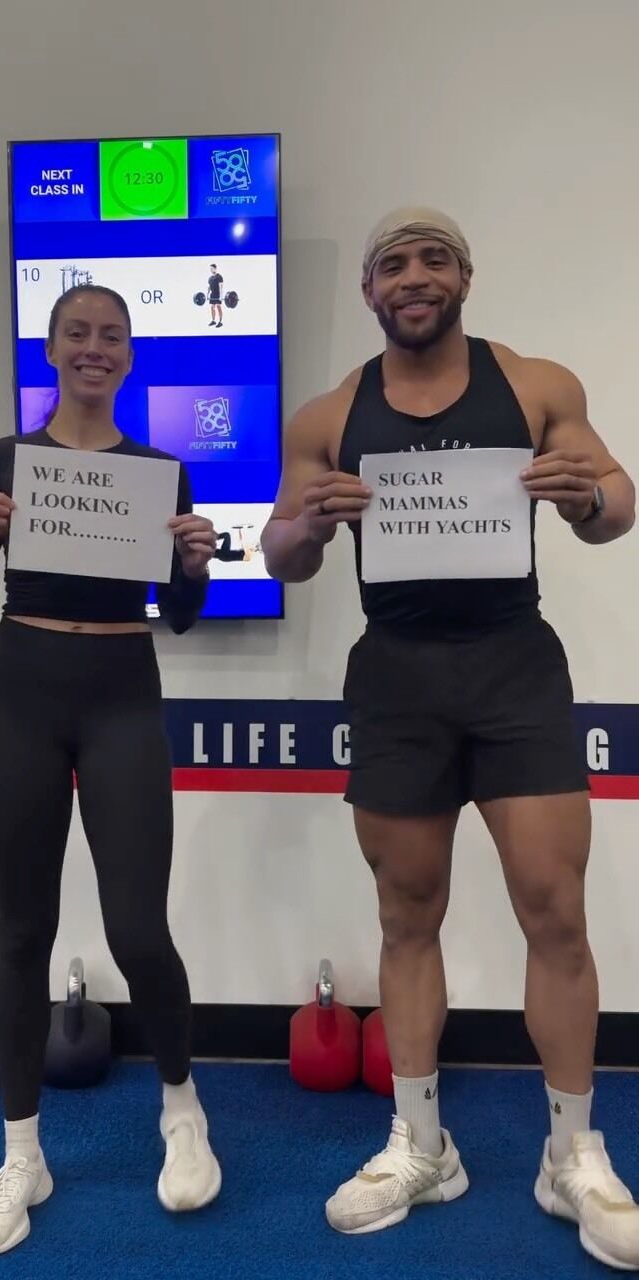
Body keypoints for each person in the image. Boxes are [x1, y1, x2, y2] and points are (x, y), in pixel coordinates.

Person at [261, 208, 639, 1269]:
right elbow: (281, 549)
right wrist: (310, 523)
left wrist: (586, 495)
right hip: (397, 678)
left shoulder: (536, 384)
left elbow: (618, 503)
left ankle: (573, 1155)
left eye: (435, 259)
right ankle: (422, 1144)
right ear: (371, 291)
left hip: (514, 667)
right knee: (406, 912)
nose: (414, 277)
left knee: (554, 908)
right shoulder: (328, 414)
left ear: (464, 277)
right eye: (394, 264)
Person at [0, 284, 221, 1256]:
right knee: (23, 931)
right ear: (52, 350)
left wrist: (194, 566)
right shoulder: (2, 461)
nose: (94, 347)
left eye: (111, 336)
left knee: (139, 927)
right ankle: (23, 1154)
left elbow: (179, 615)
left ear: (129, 356)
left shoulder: (160, 472)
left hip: (121, 694)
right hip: (20, 691)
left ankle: (182, 1110)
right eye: (77, 334)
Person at [208, 264, 224, 329]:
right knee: (212, 307)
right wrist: (207, 294)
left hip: (218, 294)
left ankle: (220, 322)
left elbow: (221, 287)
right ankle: (213, 321)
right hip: (212, 294)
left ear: (215, 268)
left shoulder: (219, 276)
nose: (211, 270)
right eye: (210, 269)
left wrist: (221, 296)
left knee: (218, 307)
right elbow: (209, 287)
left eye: (212, 268)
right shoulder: (210, 278)